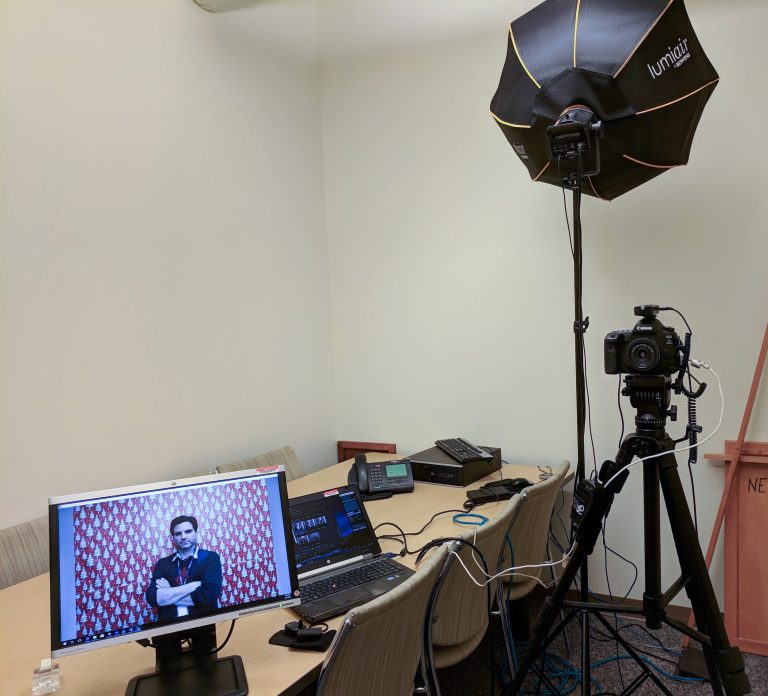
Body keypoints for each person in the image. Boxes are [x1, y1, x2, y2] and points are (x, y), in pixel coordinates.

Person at [146, 515, 222, 622]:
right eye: (178, 534)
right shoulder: (163, 563)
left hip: (203, 624)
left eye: (188, 531)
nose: (183, 537)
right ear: (173, 538)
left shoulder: (210, 558)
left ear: (196, 533)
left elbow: (208, 596)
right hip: (168, 626)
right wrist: (193, 586)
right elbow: (153, 598)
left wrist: (168, 594)